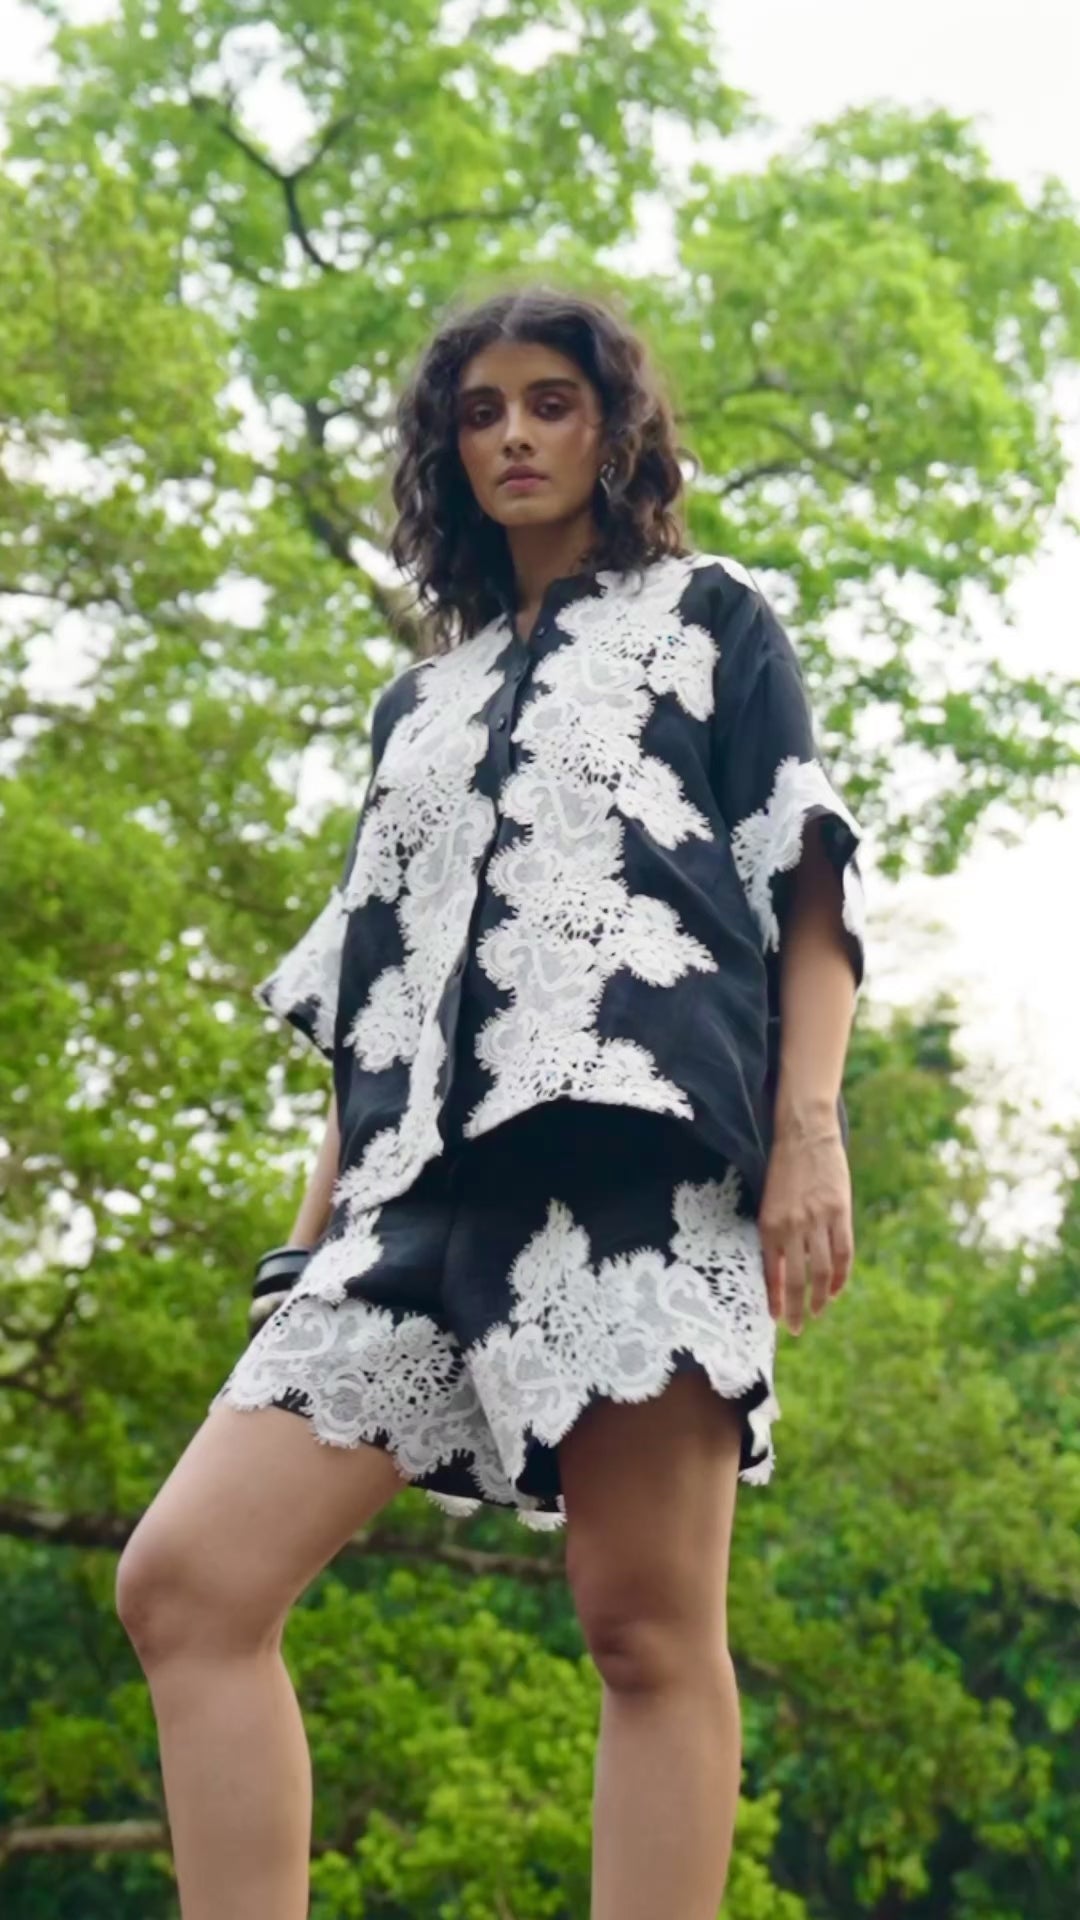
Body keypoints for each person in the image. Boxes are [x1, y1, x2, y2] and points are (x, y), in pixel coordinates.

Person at [115, 282, 867, 1920]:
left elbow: (805, 884)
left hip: (631, 1170)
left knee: (642, 1626)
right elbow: (374, 996)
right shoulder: (420, 707)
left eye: (550, 401)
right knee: (186, 1584)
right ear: (448, 454)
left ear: (613, 428)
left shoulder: (712, 619)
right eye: (480, 413)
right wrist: (304, 1252)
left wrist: (809, 1134)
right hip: (406, 1212)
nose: (514, 435)